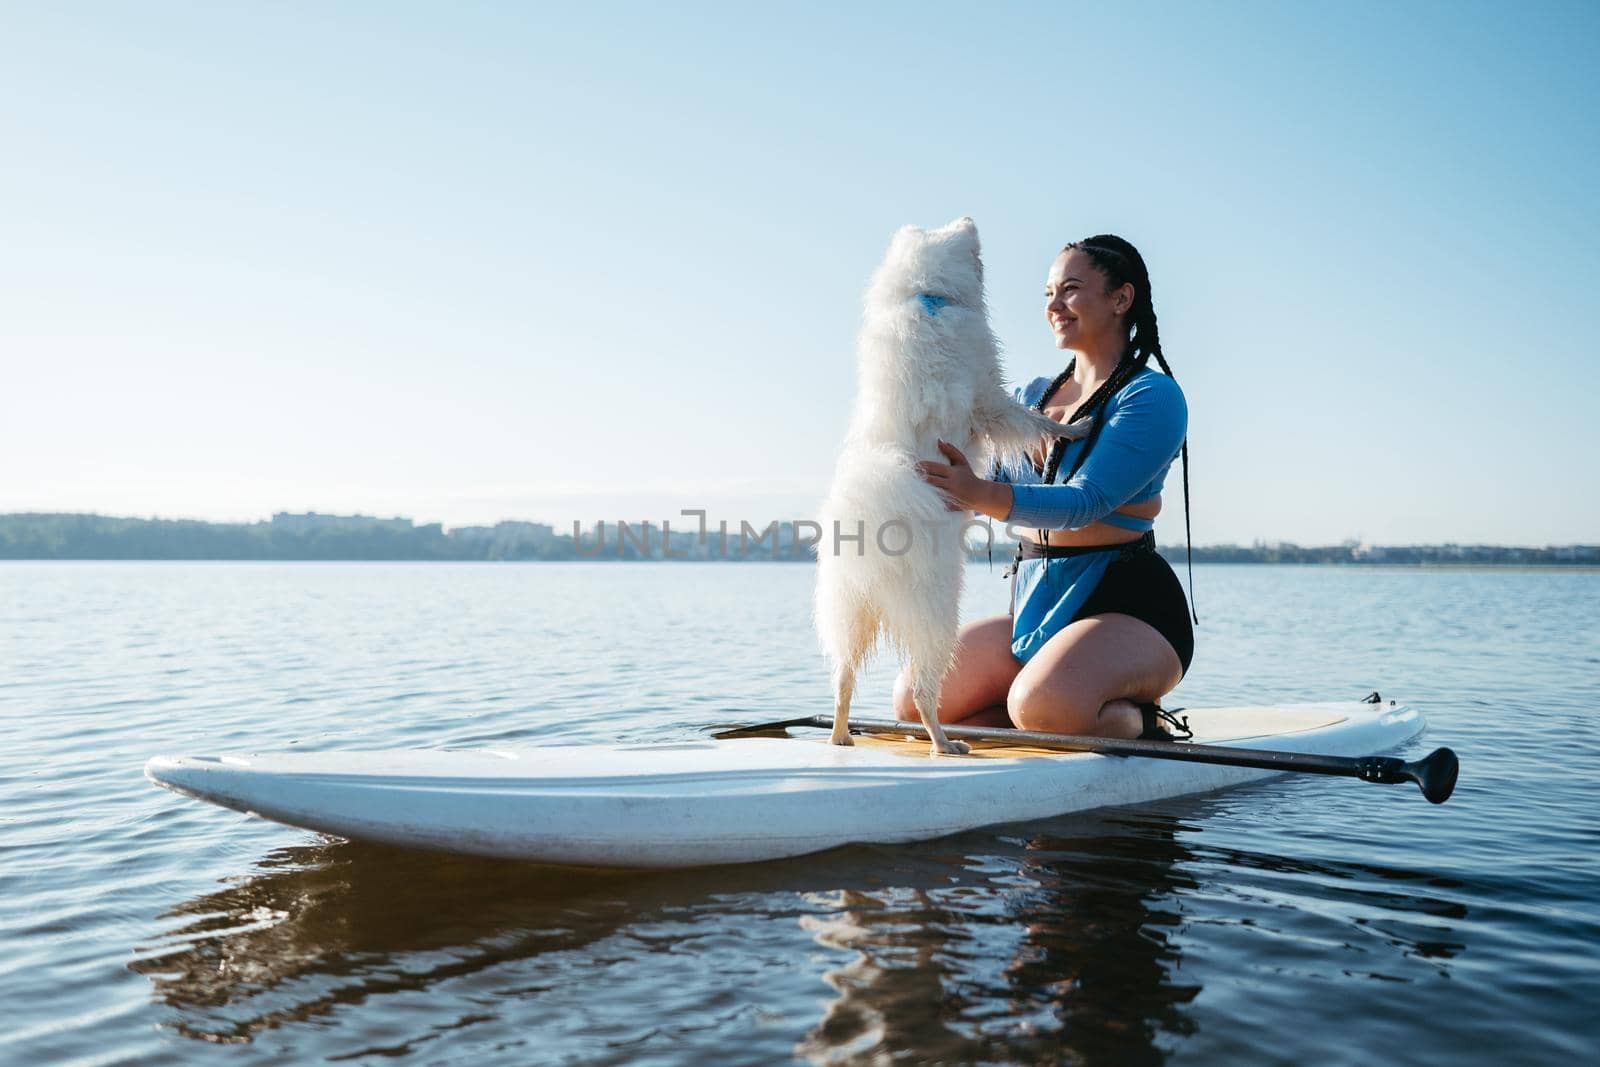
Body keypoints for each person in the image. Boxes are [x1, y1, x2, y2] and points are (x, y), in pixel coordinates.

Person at [900, 234, 1194, 741]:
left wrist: (978, 493)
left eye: (1071, 290)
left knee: (1042, 704)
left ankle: (1138, 717)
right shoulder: (1029, 398)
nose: (1054, 306)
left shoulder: (1152, 396)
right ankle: (1041, 706)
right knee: (916, 702)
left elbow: (1086, 502)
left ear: (1121, 299)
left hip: (1130, 605)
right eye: (1048, 294)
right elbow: (969, 471)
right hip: (1038, 596)